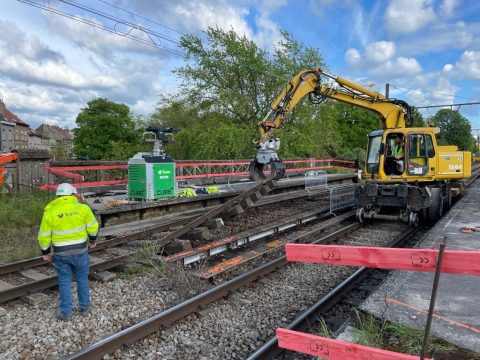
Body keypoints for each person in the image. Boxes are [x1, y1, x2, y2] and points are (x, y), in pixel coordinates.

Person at [38, 183, 99, 321]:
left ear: (58, 196)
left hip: (61, 253)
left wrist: (46, 252)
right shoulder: (82, 208)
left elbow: (44, 235)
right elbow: (93, 226)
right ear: (73, 195)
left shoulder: (50, 212)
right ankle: (85, 307)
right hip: (80, 251)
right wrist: (93, 240)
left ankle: (66, 313)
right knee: (82, 278)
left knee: (64, 281)